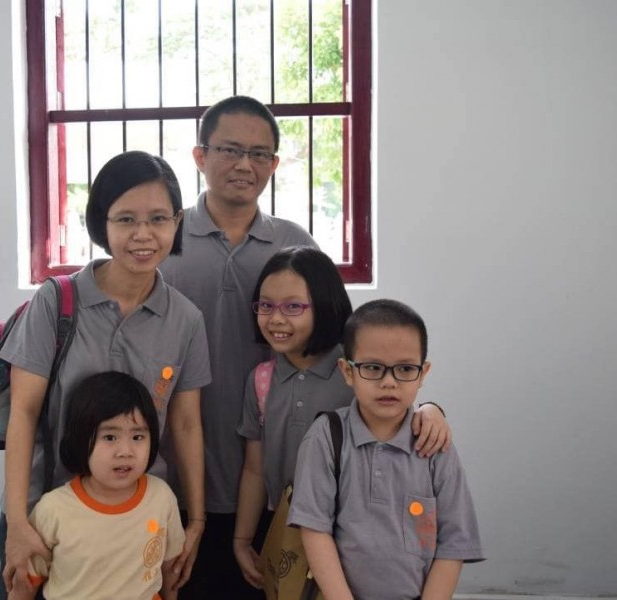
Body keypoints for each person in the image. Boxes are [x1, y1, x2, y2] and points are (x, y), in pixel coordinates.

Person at [160, 95, 452, 600]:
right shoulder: (165, 240)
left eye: (259, 154)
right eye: (230, 149)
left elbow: (356, 350)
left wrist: (427, 407)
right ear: (200, 155)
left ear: (274, 164)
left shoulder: (293, 244)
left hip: (285, 484)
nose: (244, 164)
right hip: (185, 472)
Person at [0, 151, 211, 599]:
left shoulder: (186, 320)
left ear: (177, 223)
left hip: (136, 522)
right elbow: (23, 412)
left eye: (158, 218)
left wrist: (195, 519)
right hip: (44, 516)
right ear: (101, 223)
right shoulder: (56, 302)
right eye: (126, 219)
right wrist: (17, 521)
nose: (143, 234)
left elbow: (186, 425)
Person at [233, 246, 452, 589]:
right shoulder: (261, 381)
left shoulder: (353, 372)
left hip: (354, 532)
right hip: (286, 527)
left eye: (293, 306)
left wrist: (430, 409)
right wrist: (243, 538)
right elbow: (254, 468)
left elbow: (397, 405)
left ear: (324, 305)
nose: (275, 319)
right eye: (266, 305)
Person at [288, 299, 485, 600]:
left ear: (423, 373)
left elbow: (453, 543)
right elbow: (315, 530)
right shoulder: (326, 437)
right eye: (373, 368)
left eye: (405, 368)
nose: (389, 382)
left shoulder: (435, 446)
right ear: (348, 371)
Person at [9, 371, 185, 600]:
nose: (126, 452)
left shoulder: (161, 497)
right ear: (81, 439)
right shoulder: (52, 510)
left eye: (138, 437)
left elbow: (170, 568)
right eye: (110, 437)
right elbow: (25, 585)